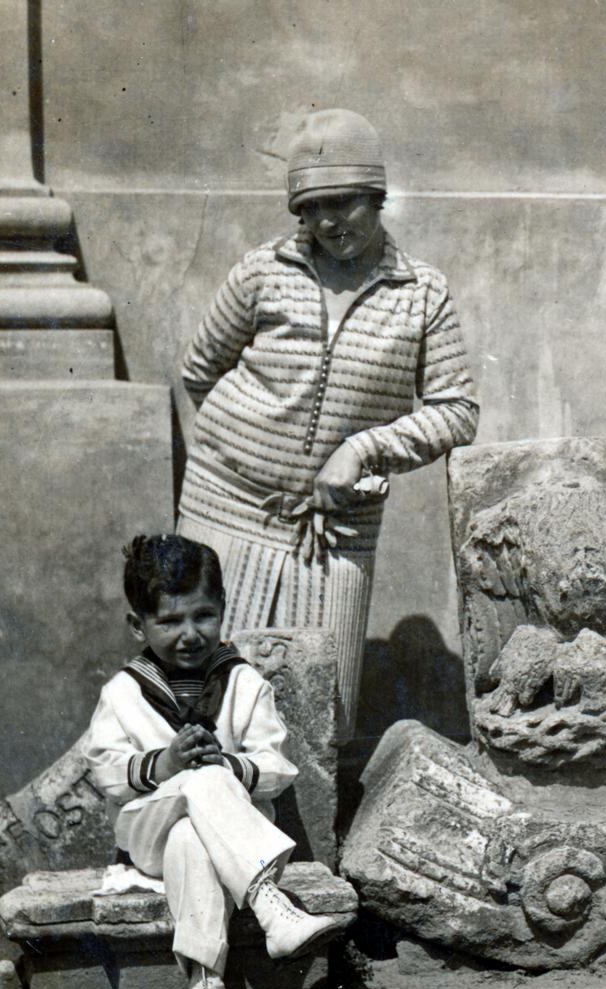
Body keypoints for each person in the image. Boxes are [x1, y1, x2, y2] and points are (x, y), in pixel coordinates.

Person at [176, 108, 478, 740]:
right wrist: (256, 457)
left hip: (335, 531)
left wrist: (362, 450)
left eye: (344, 202)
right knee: (201, 710)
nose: (328, 222)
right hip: (224, 511)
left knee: (318, 722)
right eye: (311, 208)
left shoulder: (422, 293)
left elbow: (457, 411)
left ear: (377, 196)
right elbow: (200, 370)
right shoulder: (262, 272)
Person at [85, 534, 344, 989]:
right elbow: (107, 771)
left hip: (224, 842)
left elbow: (276, 767)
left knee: (194, 832)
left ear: (223, 608)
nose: (189, 634)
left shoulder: (243, 682)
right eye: (170, 621)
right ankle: (270, 904)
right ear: (138, 625)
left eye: (203, 616)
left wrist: (229, 765)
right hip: (149, 836)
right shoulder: (124, 692)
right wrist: (165, 764)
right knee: (196, 785)